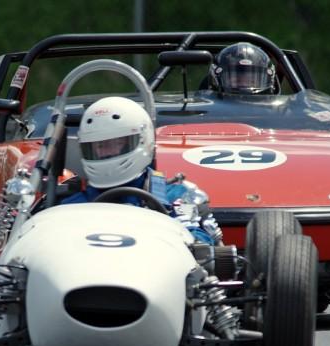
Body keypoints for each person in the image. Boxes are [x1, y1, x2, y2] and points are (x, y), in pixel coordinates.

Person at [61, 96, 222, 245]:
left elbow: (201, 247)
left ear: (144, 141)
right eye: (100, 146)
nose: (108, 152)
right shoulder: (71, 208)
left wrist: (184, 234)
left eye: (116, 143)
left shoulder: (176, 196)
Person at [210, 42, 279, 95]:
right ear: (216, 79)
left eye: (251, 82)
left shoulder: (277, 110)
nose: (244, 87)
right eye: (237, 81)